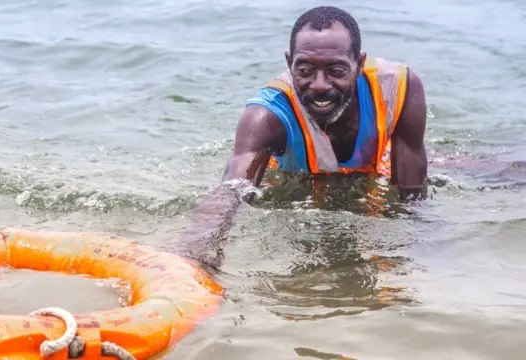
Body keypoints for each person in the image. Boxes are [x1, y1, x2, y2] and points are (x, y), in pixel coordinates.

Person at [179, 6, 428, 269]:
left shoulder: (398, 88)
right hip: (298, 177)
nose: (320, 85)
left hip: (374, 167)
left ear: (359, 65)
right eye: (305, 70)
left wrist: (417, 249)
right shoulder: (267, 116)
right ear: (289, 64)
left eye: (336, 70)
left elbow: (411, 196)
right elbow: (230, 192)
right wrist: (197, 257)